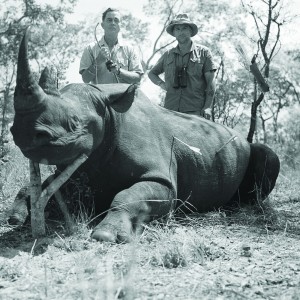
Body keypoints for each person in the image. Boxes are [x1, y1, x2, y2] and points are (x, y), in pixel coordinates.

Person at [148, 13, 217, 119]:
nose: (181, 32)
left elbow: (211, 83)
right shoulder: (168, 55)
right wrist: (162, 84)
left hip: (195, 111)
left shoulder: (204, 53)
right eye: (178, 29)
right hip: (171, 110)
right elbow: (152, 73)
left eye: (184, 28)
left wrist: (208, 107)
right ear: (174, 33)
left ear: (190, 31)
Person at [79, 8, 144, 84]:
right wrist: (97, 61)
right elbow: (85, 79)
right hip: (99, 95)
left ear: (120, 25)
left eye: (116, 20)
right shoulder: (90, 48)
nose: (113, 23)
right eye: (109, 20)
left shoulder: (130, 49)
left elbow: (137, 78)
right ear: (103, 25)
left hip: (123, 94)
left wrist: (118, 71)